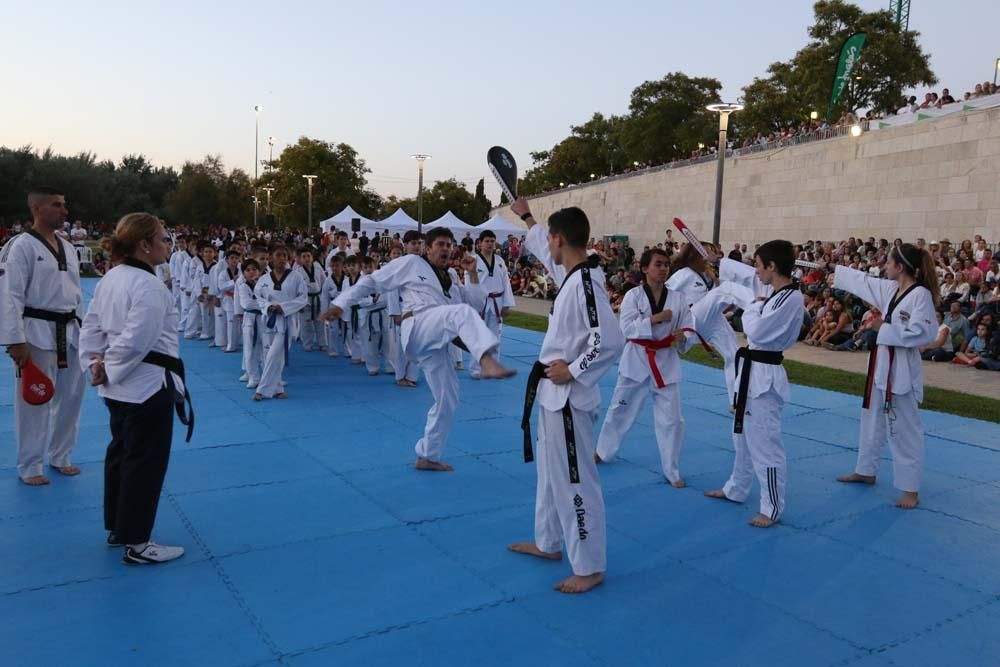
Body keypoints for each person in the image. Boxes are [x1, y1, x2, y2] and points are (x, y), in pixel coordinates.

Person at [320, 227, 516, 472]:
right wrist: (341, 303)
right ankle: (486, 360)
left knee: (448, 397)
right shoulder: (412, 262)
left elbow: (476, 303)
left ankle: (428, 455)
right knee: (460, 313)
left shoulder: (452, 278)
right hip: (418, 325)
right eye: (440, 244)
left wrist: (473, 274)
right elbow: (374, 280)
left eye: (448, 245)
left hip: (437, 339)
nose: (445, 249)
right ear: (428, 248)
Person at [506, 198, 624, 594]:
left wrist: (572, 369)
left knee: (576, 481)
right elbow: (541, 246)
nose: (546, 249)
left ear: (561, 239)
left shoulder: (587, 283)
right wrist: (525, 216)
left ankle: (590, 566)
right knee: (549, 476)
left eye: (550, 240)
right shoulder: (573, 275)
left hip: (569, 397)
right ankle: (549, 542)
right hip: (552, 397)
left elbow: (609, 339)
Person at [79, 212, 191, 564]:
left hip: (117, 387)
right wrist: (106, 367)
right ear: (144, 245)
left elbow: (91, 328)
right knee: (144, 462)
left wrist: (93, 366)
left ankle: (119, 528)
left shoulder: (112, 278)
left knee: (122, 456)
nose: (165, 244)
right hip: (146, 386)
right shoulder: (150, 286)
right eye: (160, 238)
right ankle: (138, 542)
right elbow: (136, 339)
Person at [704, 241, 803, 528]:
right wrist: (719, 262)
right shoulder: (775, 295)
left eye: (760, 265)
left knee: (765, 444)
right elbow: (747, 279)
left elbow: (756, 329)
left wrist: (750, 308)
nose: (756, 272)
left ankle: (771, 508)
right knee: (743, 438)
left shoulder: (789, 298)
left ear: (772, 266)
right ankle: (737, 488)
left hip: (764, 377)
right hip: (751, 371)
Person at [834, 243, 939, 509]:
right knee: (871, 419)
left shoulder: (920, 296)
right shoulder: (892, 290)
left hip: (901, 369)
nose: (884, 267)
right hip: (881, 365)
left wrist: (885, 327)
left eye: (888, 262)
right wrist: (833, 269)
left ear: (900, 267)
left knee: (904, 428)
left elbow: (925, 334)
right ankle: (866, 470)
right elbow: (863, 282)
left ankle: (910, 489)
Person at [0, 187, 86, 485]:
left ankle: (61, 455)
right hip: (35, 334)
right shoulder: (20, 246)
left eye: (65, 204)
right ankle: (30, 465)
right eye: (57, 205)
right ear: (37, 209)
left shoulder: (67, 246)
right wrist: (14, 339)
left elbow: (75, 295)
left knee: (72, 398)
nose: (65, 210)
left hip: (71, 332)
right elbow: (9, 295)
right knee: (34, 400)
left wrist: (85, 331)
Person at [595, 248, 694, 487]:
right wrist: (654, 319)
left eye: (666, 265)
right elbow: (626, 329)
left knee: (673, 420)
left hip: (666, 362)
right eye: (658, 264)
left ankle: (672, 470)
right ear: (644, 268)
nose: (663, 269)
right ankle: (603, 451)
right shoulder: (633, 296)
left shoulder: (678, 298)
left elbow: (689, 327)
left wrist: (684, 337)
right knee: (620, 410)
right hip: (637, 360)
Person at [667, 242, 738, 409]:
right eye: (707, 253)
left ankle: (736, 401)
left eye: (712, 253)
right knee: (725, 291)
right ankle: (682, 341)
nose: (709, 257)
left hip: (713, 319)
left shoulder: (710, 276)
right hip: (693, 317)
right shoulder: (684, 274)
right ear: (696, 255)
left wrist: (717, 279)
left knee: (734, 355)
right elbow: (666, 294)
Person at [253, 245, 307, 401]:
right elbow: (258, 297)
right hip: (269, 320)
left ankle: (261, 390)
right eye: (278, 255)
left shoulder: (296, 277)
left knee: (273, 354)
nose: (282, 258)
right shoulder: (263, 279)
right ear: (271, 258)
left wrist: (283, 307)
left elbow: (303, 298)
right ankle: (278, 389)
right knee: (274, 356)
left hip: (287, 321)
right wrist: (269, 306)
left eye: (284, 255)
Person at [470, 230, 515, 380]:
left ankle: (494, 367)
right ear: (480, 243)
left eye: (492, 241)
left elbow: (506, 283)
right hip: (480, 303)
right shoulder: (473, 260)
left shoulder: (500, 261)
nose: (490, 244)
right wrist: (472, 303)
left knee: (495, 337)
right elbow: (470, 285)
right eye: (487, 241)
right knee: (478, 336)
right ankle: (476, 368)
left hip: (497, 302)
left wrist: (507, 304)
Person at [238, 259, 264, 388]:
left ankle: (268, 377)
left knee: (266, 349)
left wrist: (265, 305)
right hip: (250, 319)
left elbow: (271, 299)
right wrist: (264, 306)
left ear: (259, 271)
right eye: (248, 270)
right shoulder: (243, 287)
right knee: (250, 349)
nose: (251, 272)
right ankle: (253, 377)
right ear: (243, 273)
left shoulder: (264, 285)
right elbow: (246, 304)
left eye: (254, 269)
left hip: (264, 320)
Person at [293, 247, 326, 352]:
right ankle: (307, 344)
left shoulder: (318, 267)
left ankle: (322, 343)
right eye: (304, 256)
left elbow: (323, 282)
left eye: (308, 256)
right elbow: (295, 289)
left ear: (312, 257)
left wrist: (324, 299)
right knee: (306, 324)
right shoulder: (297, 271)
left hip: (318, 297)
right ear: (300, 259)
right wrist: (298, 304)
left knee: (320, 322)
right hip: (305, 300)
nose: (306, 258)